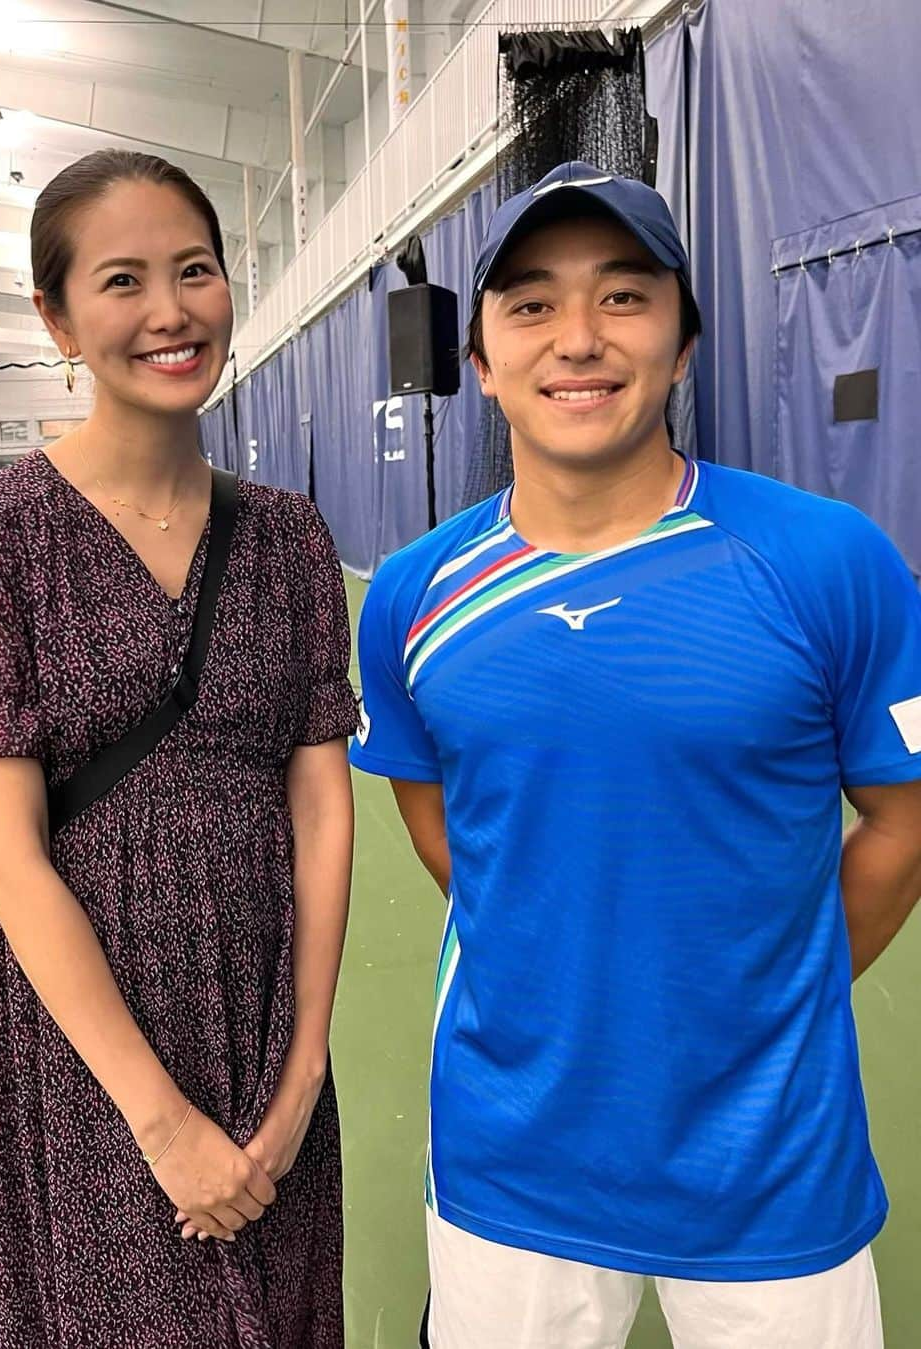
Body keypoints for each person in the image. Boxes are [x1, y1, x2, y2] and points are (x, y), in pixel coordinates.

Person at [350, 162, 921, 1349]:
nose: (579, 339)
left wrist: (770, 982)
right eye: (531, 304)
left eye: (623, 296)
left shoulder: (829, 562)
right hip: (513, 1158)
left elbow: (903, 820)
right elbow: (444, 826)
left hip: (776, 1158)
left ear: (684, 339)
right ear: (481, 361)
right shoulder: (412, 597)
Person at [0, 149, 357, 1348]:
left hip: (263, 1012)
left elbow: (321, 806)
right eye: (123, 280)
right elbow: (6, 857)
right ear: (56, 317)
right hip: (82, 1042)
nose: (171, 311)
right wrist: (161, 1122)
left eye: (195, 270)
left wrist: (305, 1063)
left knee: (286, 1305)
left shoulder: (290, 537)